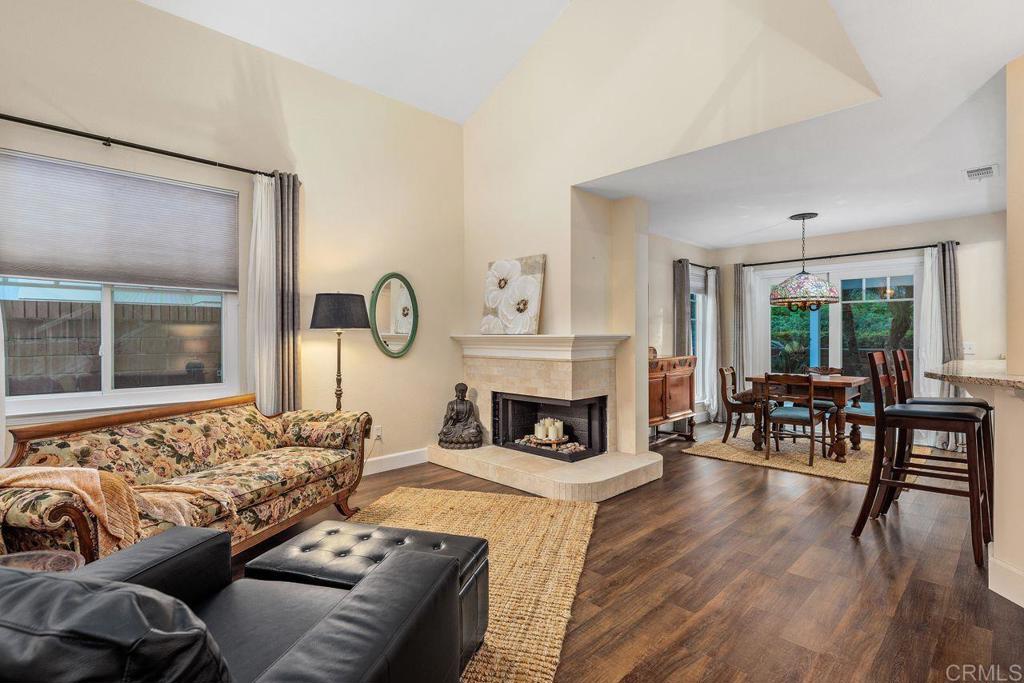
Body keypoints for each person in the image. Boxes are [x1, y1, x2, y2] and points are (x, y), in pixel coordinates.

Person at [438, 383, 483, 449]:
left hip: (466, 427)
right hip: (454, 427)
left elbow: (471, 418)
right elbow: (447, 418)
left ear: (465, 393)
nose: (461, 394)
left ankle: (460, 438)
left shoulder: (469, 404)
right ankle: (463, 439)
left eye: (463, 392)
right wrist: (451, 417)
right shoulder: (451, 404)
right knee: (445, 430)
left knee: (474, 431)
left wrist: (474, 423)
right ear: (456, 392)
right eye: (459, 392)